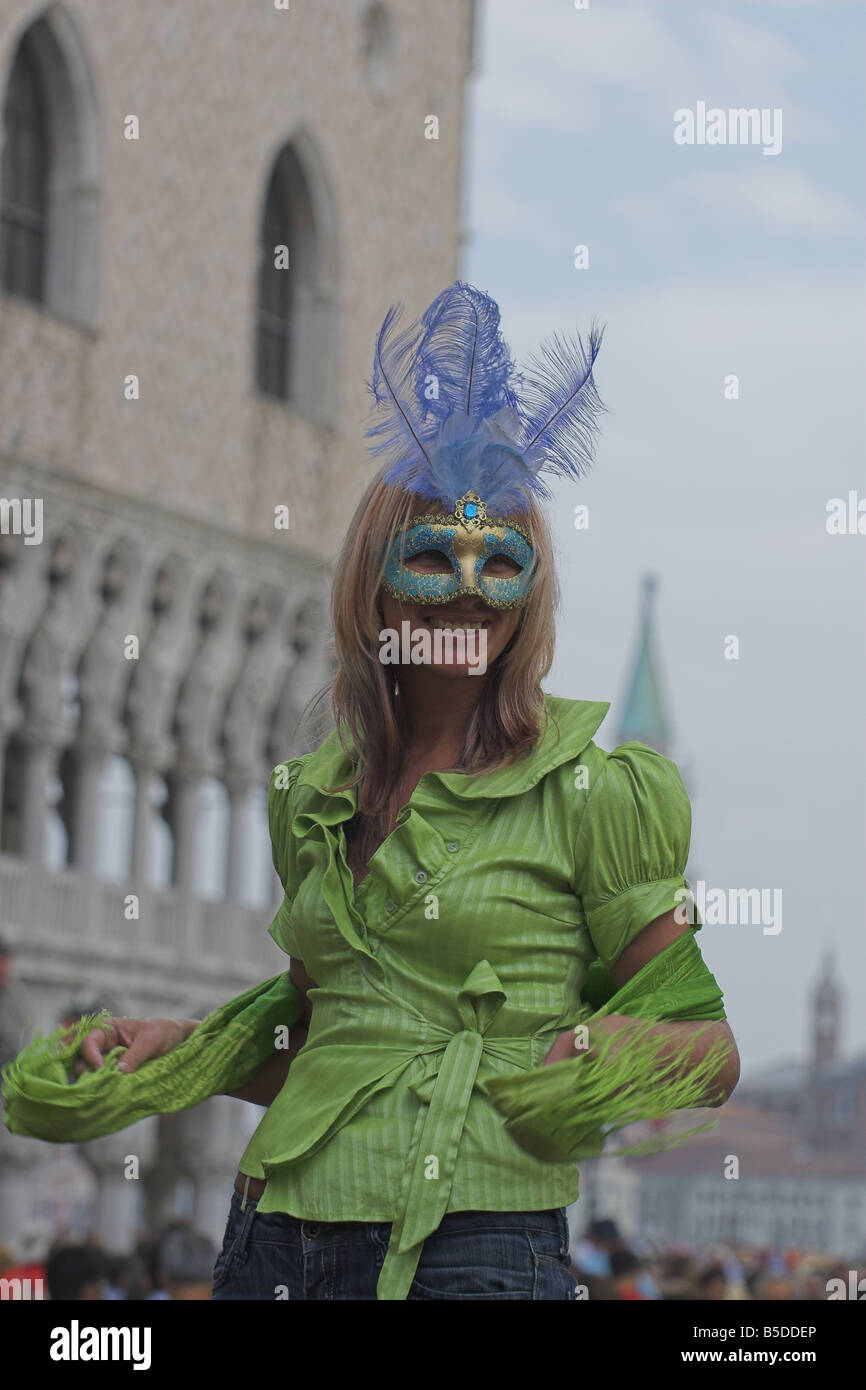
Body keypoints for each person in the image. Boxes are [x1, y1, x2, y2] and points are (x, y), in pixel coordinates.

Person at [65, 282, 739, 1300]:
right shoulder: (316, 800)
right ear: (371, 581)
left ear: (530, 587)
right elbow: (316, 1042)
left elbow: (710, 1051)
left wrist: (605, 1046)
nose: (467, 586)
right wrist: (186, 1048)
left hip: (472, 1249)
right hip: (270, 1240)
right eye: (431, 554)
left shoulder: (592, 794)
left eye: (497, 559)